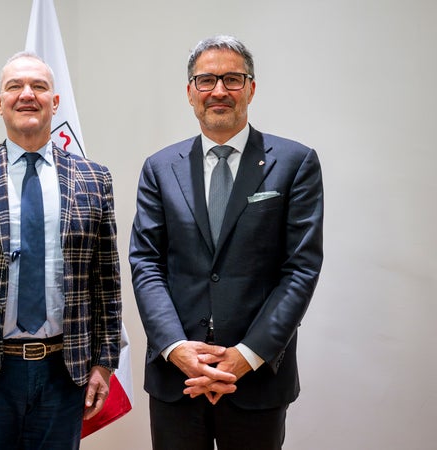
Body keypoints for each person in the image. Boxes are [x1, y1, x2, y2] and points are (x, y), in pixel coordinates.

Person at [130, 35, 324, 450]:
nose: (219, 90)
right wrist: (176, 348)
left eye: (232, 79)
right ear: (190, 93)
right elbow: (146, 264)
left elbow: (300, 269)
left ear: (251, 88)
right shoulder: (160, 168)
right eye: (206, 80)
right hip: (177, 377)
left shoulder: (294, 163)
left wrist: (247, 355)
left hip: (256, 378)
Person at [0, 52, 122, 450]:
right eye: (15, 86)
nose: (27, 94)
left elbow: (107, 283)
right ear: (0, 103)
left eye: (39, 87)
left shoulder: (93, 178)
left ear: (55, 102)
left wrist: (105, 361)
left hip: (65, 372)